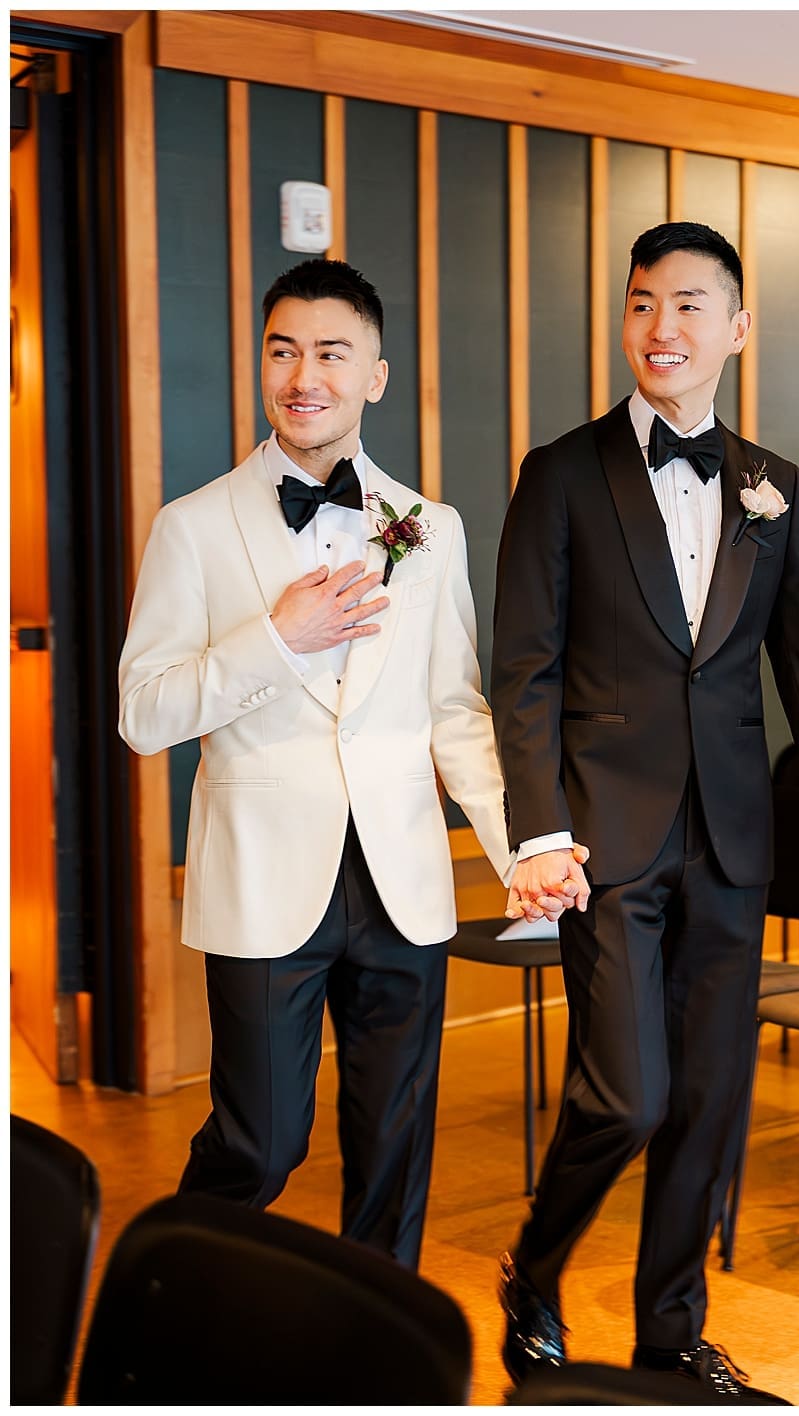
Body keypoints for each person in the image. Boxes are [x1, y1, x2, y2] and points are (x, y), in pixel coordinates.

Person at [490, 221, 799, 1400]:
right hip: (603, 836)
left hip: (733, 840)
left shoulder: (774, 482)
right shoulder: (560, 472)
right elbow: (525, 670)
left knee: (707, 1100)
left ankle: (668, 1334)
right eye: (644, 304)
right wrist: (539, 830)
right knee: (628, 1091)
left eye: (691, 306)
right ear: (624, 321)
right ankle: (535, 1270)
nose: (664, 328)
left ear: (736, 329)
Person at [117, 257, 533, 1266]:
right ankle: (170, 1295)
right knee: (261, 1144)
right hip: (264, 879)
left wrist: (519, 846)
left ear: (375, 375)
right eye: (283, 349)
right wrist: (275, 638)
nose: (304, 374)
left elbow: (453, 710)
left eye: (330, 353)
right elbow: (142, 713)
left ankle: (373, 1354)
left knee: (393, 1152)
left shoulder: (429, 530)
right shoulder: (194, 527)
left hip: (401, 879)